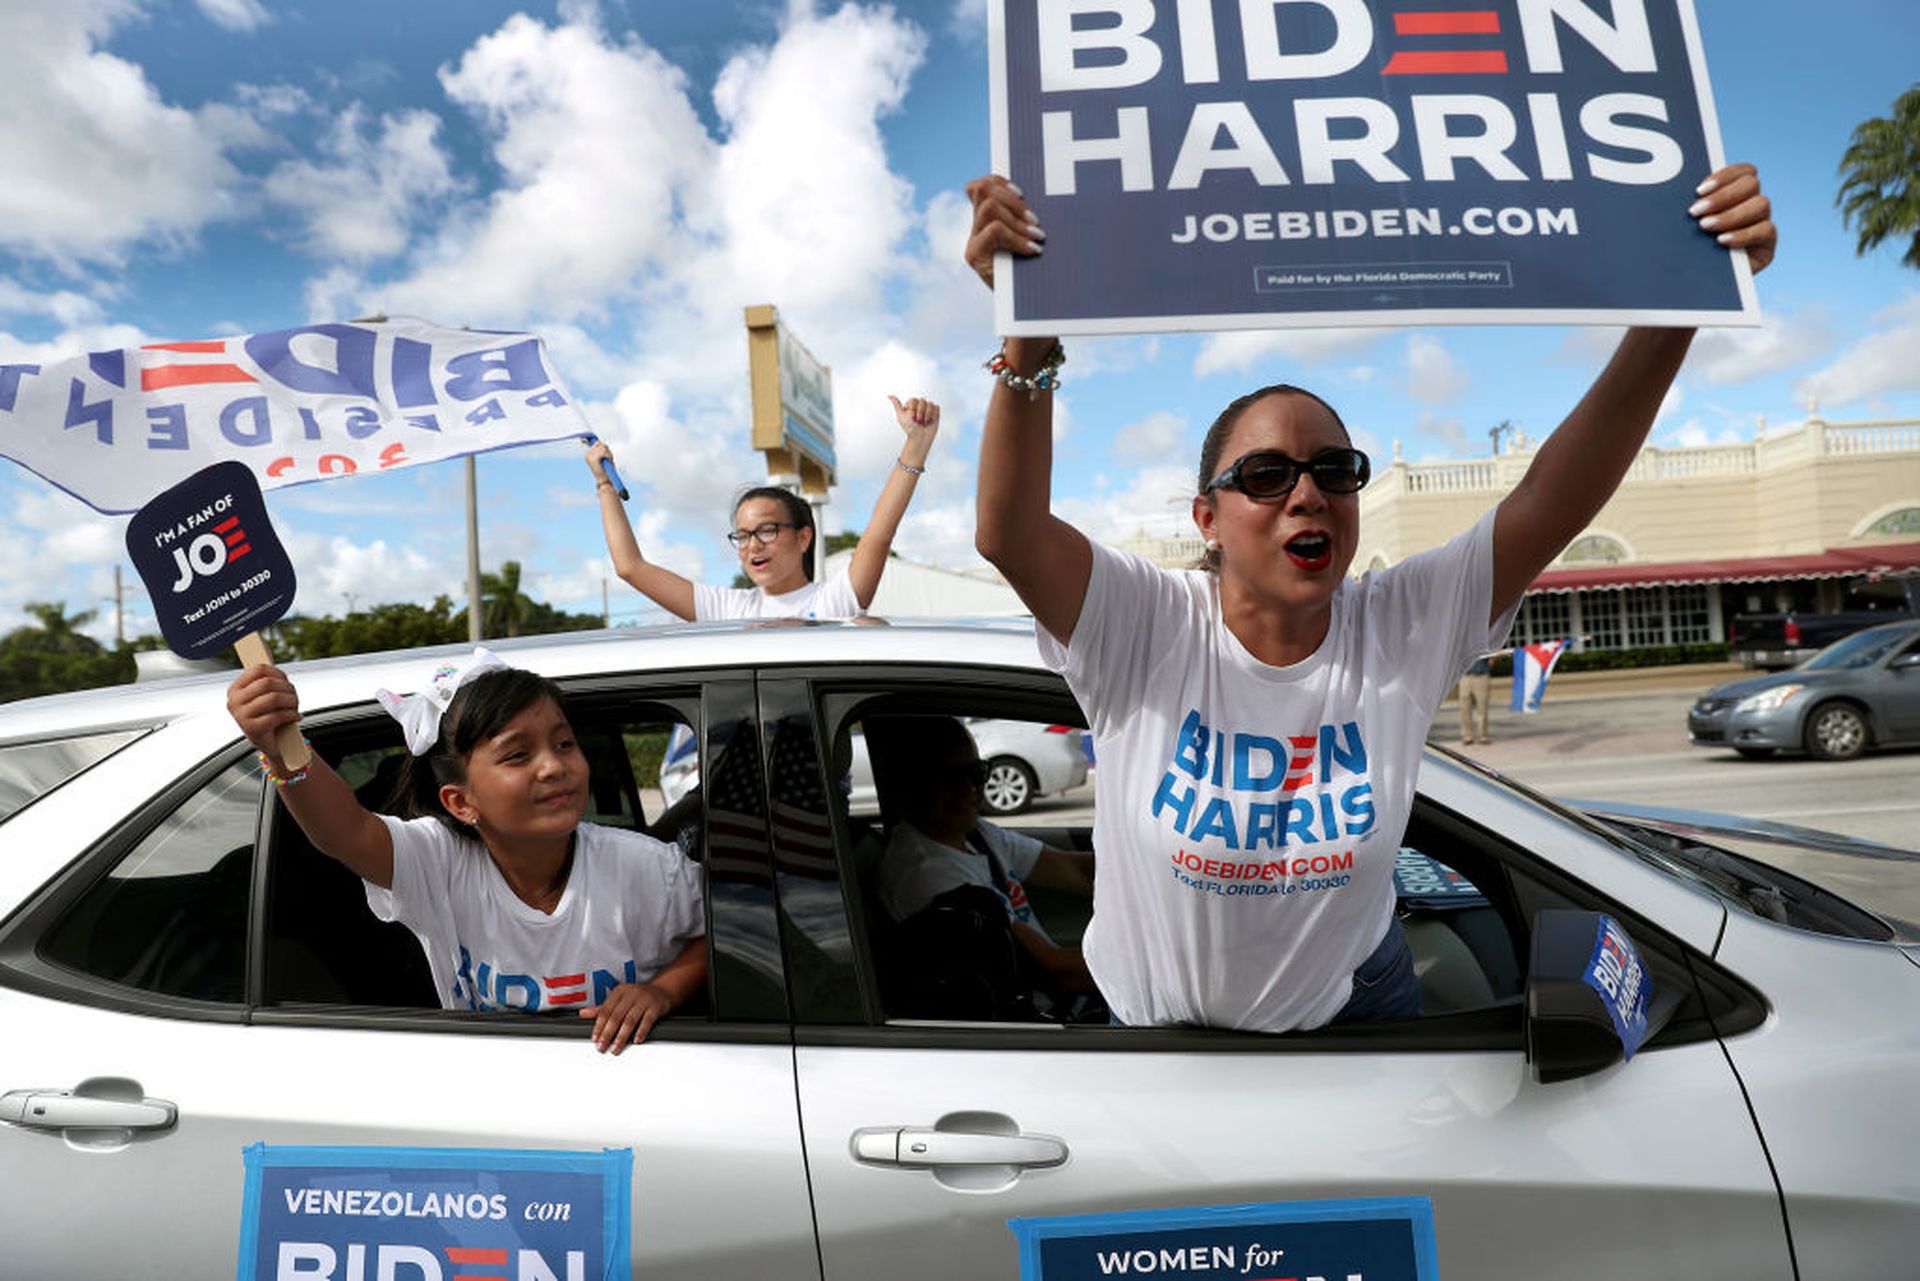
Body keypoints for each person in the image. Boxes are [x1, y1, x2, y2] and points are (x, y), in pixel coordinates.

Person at [962, 165, 1775, 1033]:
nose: (1306, 494)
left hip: (1358, 1012)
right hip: (1165, 1046)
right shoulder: (1146, 621)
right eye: (1267, 475)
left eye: (1334, 471)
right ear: (1207, 517)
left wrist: (1679, 307)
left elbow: (1551, 501)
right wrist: (1029, 342)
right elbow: (1009, 530)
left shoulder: (1399, 625)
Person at [226, 648, 707, 1053]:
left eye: (564, 743)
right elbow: (344, 832)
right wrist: (278, 744)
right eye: (518, 754)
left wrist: (663, 990)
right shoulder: (439, 862)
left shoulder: (646, 867)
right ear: (461, 802)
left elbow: (733, 932)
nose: (553, 766)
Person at [586, 395, 941, 621]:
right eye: (742, 535)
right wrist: (604, 485)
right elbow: (631, 568)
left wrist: (916, 446)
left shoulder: (835, 602)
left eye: (767, 531)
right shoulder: (727, 610)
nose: (752, 545)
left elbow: (879, 534)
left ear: (804, 538)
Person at [873, 716, 1096, 1001]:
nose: (968, 789)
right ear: (911, 784)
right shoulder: (928, 876)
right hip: (1034, 1021)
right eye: (948, 779)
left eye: (976, 773)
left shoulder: (974, 833)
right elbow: (1056, 971)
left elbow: (1075, 871)